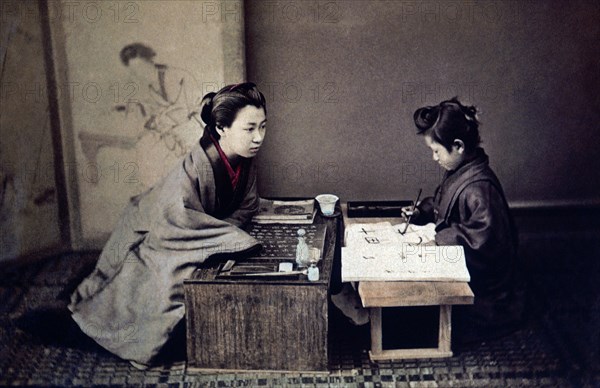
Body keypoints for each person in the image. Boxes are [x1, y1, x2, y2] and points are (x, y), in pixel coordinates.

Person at [69, 83, 268, 368]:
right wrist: (226, 236)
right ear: (222, 127)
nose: (258, 137)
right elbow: (179, 218)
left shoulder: (244, 160)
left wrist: (220, 232)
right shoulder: (196, 166)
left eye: (262, 127)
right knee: (159, 299)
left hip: (195, 231)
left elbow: (246, 206)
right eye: (249, 129)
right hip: (155, 230)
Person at [403, 97, 524, 346]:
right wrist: (421, 212)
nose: (434, 158)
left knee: (414, 325)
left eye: (437, 151)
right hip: (463, 272)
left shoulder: (479, 187)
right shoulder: (460, 171)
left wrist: (440, 241)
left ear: (458, 146)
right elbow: (441, 204)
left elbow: (484, 240)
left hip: (487, 297)